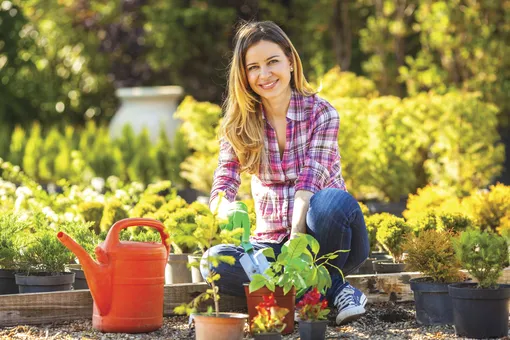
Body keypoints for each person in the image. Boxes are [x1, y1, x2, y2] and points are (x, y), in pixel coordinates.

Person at [201, 20, 370, 325]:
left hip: (327, 237)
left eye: (272, 62)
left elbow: (308, 184)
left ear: (290, 62)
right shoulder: (239, 124)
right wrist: (226, 208)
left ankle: (303, 287)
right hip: (272, 246)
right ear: (244, 75)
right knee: (213, 261)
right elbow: (222, 184)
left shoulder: (322, 113)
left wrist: (296, 242)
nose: (264, 75)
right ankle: (331, 291)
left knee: (329, 202)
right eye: (253, 67)